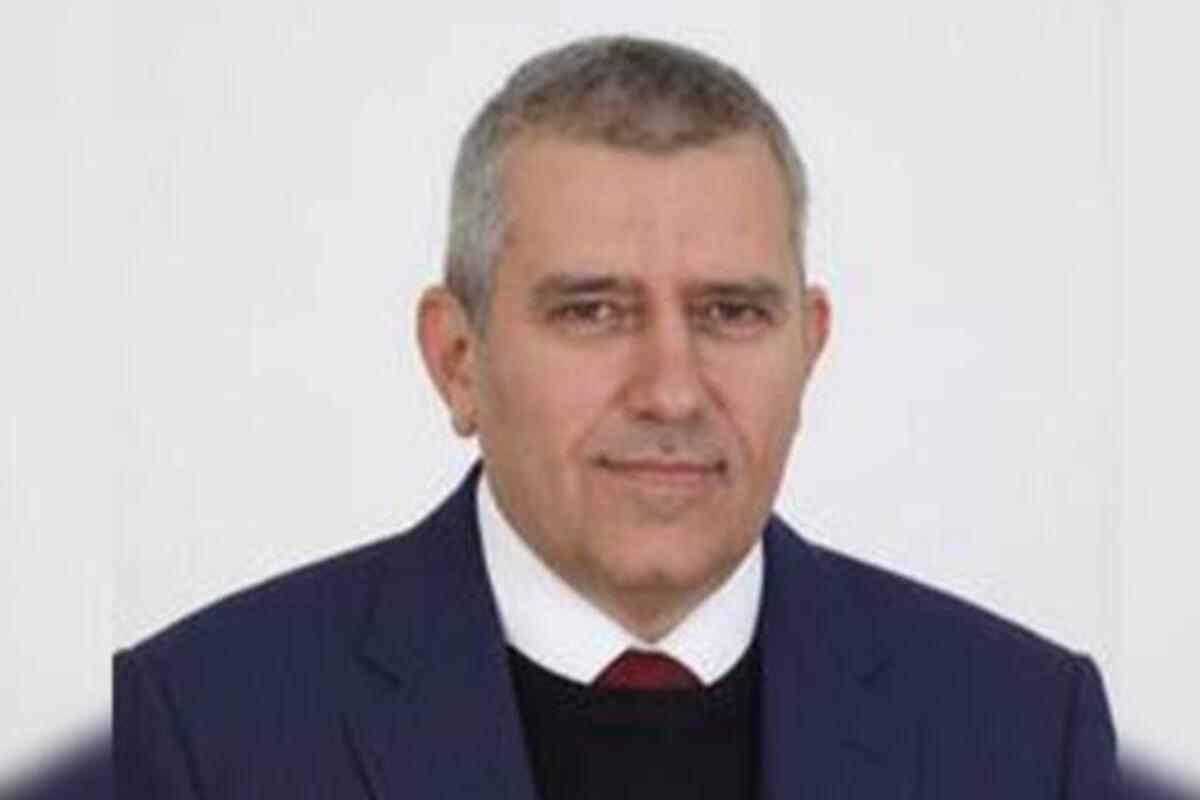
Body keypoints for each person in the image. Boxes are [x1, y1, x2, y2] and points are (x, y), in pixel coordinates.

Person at [114, 35, 1118, 799]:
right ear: (457, 360)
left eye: (731, 312)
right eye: (592, 311)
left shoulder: (1030, 735)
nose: (671, 390)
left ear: (807, 350)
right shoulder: (200, 728)